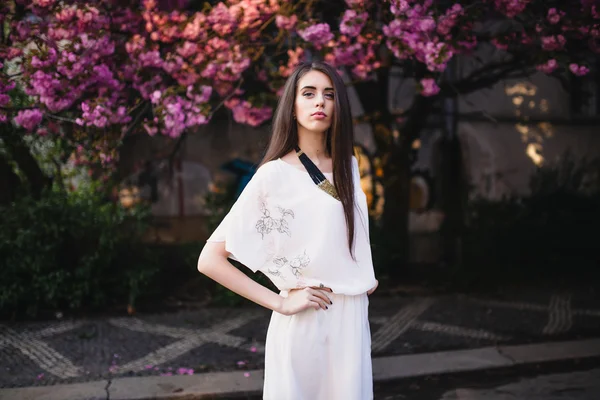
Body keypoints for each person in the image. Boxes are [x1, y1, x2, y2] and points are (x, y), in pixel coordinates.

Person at [197, 61, 378, 400]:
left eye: (329, 94)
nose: (319, 102)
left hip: (352, 319)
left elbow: (345, 235)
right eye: (308, 94)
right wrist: (279, 304)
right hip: (307, 319)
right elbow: (210, 259)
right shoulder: (273, 175)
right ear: (292, 108)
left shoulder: (349, 165)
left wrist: (361, 274)